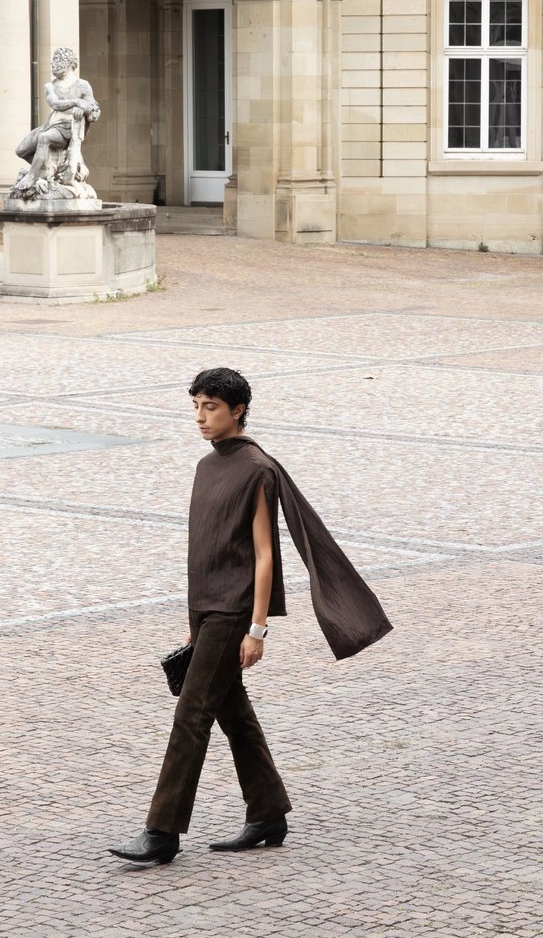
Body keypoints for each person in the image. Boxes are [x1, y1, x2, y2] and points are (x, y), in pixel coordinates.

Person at [108, 367, 392, 866]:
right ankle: (268, 813)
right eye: (196, 406)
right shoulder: (206, 466)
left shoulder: (258, 469)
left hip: (234, 611)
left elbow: (265, 554)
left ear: (237, 410)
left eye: (210, 407)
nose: (200, 417)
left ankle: (162, 833)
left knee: (191, 716)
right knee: (231, 712)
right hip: (205, 607)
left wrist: (257, 629)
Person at [13, 47, 100, 197]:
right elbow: (54, 104)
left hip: (68, 128)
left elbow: (94, 108)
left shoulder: (82, 85)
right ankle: (46, 170)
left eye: (57, 60)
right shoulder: (50, 86)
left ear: (68, 63)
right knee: (21, 150)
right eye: (53, 61)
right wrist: (77, 102)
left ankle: (32, 176)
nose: (53, 64)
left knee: (44, 138)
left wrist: (86, 111)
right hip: (51, 124)